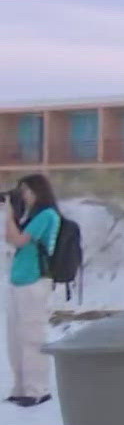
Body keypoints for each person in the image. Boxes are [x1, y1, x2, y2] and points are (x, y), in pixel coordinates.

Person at [5, 174, 60, 407]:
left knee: (32, 337)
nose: (23, 195)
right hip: (19, 280)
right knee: (15, 338)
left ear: (38, 191)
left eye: (25, 190)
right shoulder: (31, 216)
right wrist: (12, 215)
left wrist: (8, 214)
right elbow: (10, 238)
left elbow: (19, 241)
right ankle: (20, 387)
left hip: (35, 282)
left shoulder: (47, 215)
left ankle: (37, 389)